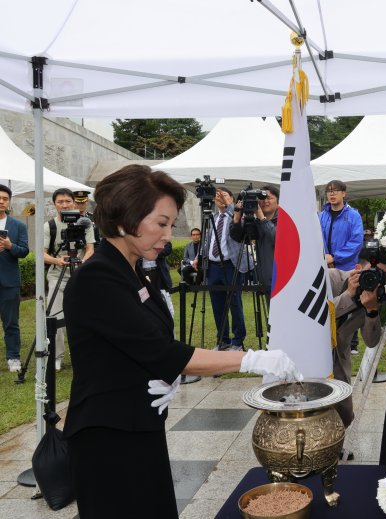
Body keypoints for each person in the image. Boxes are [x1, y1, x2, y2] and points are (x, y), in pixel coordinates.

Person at [62, 165, 300, 519]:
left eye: (170, 224)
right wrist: (250, 359)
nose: (167, 234)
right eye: (160, 223)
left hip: (140, 422)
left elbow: (142, 343)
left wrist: (159, 376)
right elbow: (162, 352)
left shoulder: (134, 268)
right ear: (125, 221)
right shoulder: (98, 277)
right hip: (108, 435)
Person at [329, 245, 386, 427]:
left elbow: (371, 341)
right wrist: (349, 295)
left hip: (339, 361)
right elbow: (316, 321)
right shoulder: (331, 279)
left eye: (383, 277)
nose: (376, 280)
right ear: (358, 268)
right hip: (311, 358)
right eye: (375, 273)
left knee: (345, 417)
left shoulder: (374, 296)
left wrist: (372, 311)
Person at [43, 187, 96, 371]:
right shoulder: (49, 226)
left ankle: (82, 353)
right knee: (55, 317)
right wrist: (58, 260)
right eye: (60, 202)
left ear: (73, 202)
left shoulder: (85, 223)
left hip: (79, 276)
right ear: (54, 204)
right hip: (57, 275)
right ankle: (57, 355)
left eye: (68, 201)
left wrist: (82, 261)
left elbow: (90, 248)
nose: (64, 205)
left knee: (83, 317)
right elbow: (43, 254)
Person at [206, 187, 250, 350]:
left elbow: (240, 223)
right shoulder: (214, 217)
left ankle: (238, 341)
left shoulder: (236, 215)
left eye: (224, 195)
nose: (220, 198)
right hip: (213, 266)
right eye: (218, 196)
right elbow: (209, 241)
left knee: (234, 303)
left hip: (231, 265)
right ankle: (223, 340)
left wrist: (230, 207)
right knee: (218, 305)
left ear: (232, 199)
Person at [230, 185, 279, 300]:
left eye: (269, 198)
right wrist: (236, 219)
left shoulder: (284, 219)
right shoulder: (256, 222)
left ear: (278, 201)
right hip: (265, 279)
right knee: (270, 317)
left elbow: (278, 239)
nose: (265, 201)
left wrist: (262, 218)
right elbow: (239, 238)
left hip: (281, 279)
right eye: (262, 198)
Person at [0, 184, 29, 373]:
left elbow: (25, 251)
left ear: (9, 201)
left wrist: (10, 246)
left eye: (5, 198)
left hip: (9, 282)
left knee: (11, 322)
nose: (1, 201)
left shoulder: (18, 225)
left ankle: (13, 357)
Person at [319, 180, 363, 271]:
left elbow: (356, 242)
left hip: (346, 269)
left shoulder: (354, 216)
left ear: (343, 193)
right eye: (329, 191)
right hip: (324, 267)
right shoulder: (321, 216)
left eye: (335, 190)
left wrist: (334, 257)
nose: (332, 194)